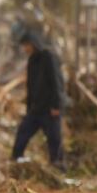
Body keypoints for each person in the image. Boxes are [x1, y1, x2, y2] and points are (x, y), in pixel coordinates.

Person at [12, 30, 67, 168]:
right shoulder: (32, 60)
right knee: (23, 131)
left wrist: (57, 105)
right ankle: (16, 159)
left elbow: (57, 82)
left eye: (26, 45)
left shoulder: (48, 57)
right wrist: (29, 106)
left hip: (50, 109)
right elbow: (30, 85)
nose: (25, 49)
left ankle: (57, 165)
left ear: (33, 44)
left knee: (54, 139)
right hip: (36, 109)